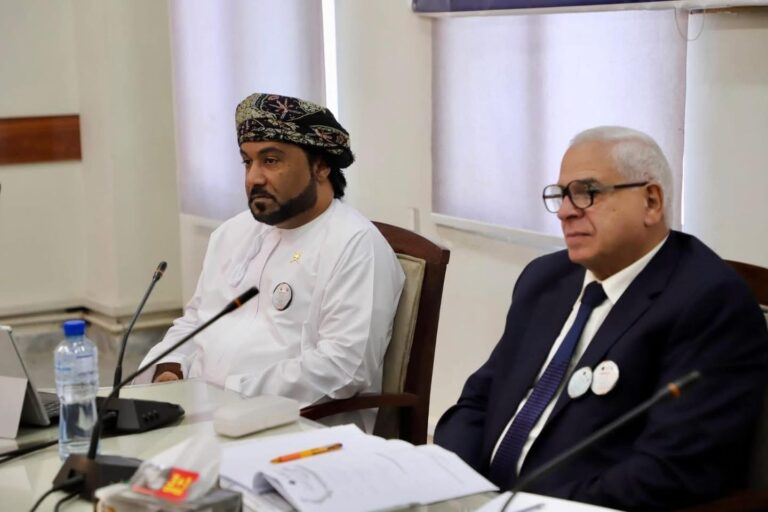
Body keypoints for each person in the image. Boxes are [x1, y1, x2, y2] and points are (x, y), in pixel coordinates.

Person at [434, 126, 768, 511]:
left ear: (651, 201)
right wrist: (455, 484)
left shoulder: (708, 302)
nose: (565, 211)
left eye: (587, 192)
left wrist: (523, 506)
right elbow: (478, 401)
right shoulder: (545, 279)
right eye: (561, 194)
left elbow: (671, 471)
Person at [136, 93, 405, 430]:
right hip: (202, 415)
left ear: (321, 166)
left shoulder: (354, 244)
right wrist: (170, 366)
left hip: (294, 430)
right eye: (247, 162)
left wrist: (224, 394)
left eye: (271, 160)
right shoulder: (233, 233)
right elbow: (196, 320)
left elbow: (344, 367)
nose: (254, 178)